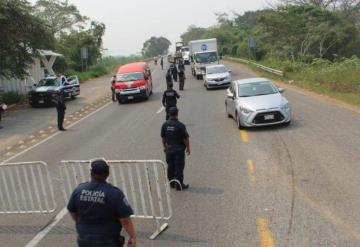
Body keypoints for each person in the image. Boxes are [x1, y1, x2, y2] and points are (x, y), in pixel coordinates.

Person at [67, 158, 137, 247]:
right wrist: (133, 237)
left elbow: (72, 211)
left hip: (84, 238)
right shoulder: (114, 193)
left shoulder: (79, 190)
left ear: (91, 173)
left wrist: (82, 223)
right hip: (107, 239)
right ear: (108, 173)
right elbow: (125, 220)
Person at [161, 107, 191, 191]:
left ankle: (172, 184)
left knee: (170, 166)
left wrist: (164, 147)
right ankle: (178, 185)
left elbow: (163, 138)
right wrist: (188, 148)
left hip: (169, 149)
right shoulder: (180, 125)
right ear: (177, 114)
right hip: (178, 150)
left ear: (169, 114)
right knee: (179, 168)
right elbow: (185, 138)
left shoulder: (165, 124)